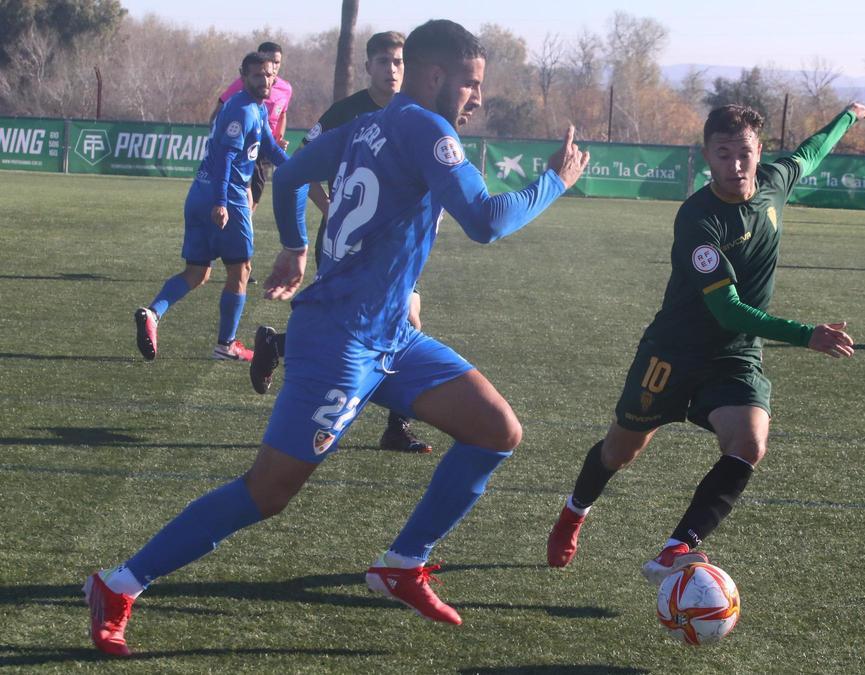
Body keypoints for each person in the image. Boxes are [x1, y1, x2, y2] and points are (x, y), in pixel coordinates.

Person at [86, 19, 588, 656]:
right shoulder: (426, 128)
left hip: (390, 334)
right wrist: (555, 182)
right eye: (471, 83)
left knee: (496, 430)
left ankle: (403, 563)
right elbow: (486, 222)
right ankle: (119, 583)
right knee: (267, 491)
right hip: (342, 341)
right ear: (437, 76)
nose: (477, 98)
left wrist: (297, 246)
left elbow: (292, 173)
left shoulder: (368, 124)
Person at [546, 102, 865, 585]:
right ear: (706, 157)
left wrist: (848, 116)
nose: (735, 166)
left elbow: (812, 151)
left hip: (734, 354)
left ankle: (676, 549)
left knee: (749, 442)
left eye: (744, 154)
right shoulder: (698, 219)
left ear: (760, 152)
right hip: (673, 351)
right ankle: (575, 511)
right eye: (723, 155)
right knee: (620, 451)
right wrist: (807, 334)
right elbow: (727, 310)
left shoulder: (775, 182)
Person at [250, 31, 433, 454]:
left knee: (405, 322)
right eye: (384, 61)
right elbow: (298, 165)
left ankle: (394, 426)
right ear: (367, 66)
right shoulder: (347, 112)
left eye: (399, 62)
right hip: (347, 243)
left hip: (396, 248)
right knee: (345, 329)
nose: (392, 70)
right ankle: (301, 387)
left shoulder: (415, 114)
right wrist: (329, 207)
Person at [133, 52, 288, 362]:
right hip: (225, 198)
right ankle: (226, 344)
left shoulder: (256, 109)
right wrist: (221, 203)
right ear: (243, 76)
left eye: (269, 74)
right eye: (257, 75)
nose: (265, 80)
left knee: (198, 272)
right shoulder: (242, 111)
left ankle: (153, 313)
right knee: (240, 270)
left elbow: (270, 147)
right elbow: (226, 160)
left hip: (199, 195)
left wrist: (302, 170)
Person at [211, 41, 293, 212]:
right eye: (269, 60)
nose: (272, 67)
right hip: (245, 144)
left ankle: (244, 217)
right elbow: (220, 109)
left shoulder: (282, 91)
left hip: (263, 143)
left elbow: (282, 115)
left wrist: (279, 139)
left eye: (276, 62)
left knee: (255, 192)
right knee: (244, 190)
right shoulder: (243, 102)